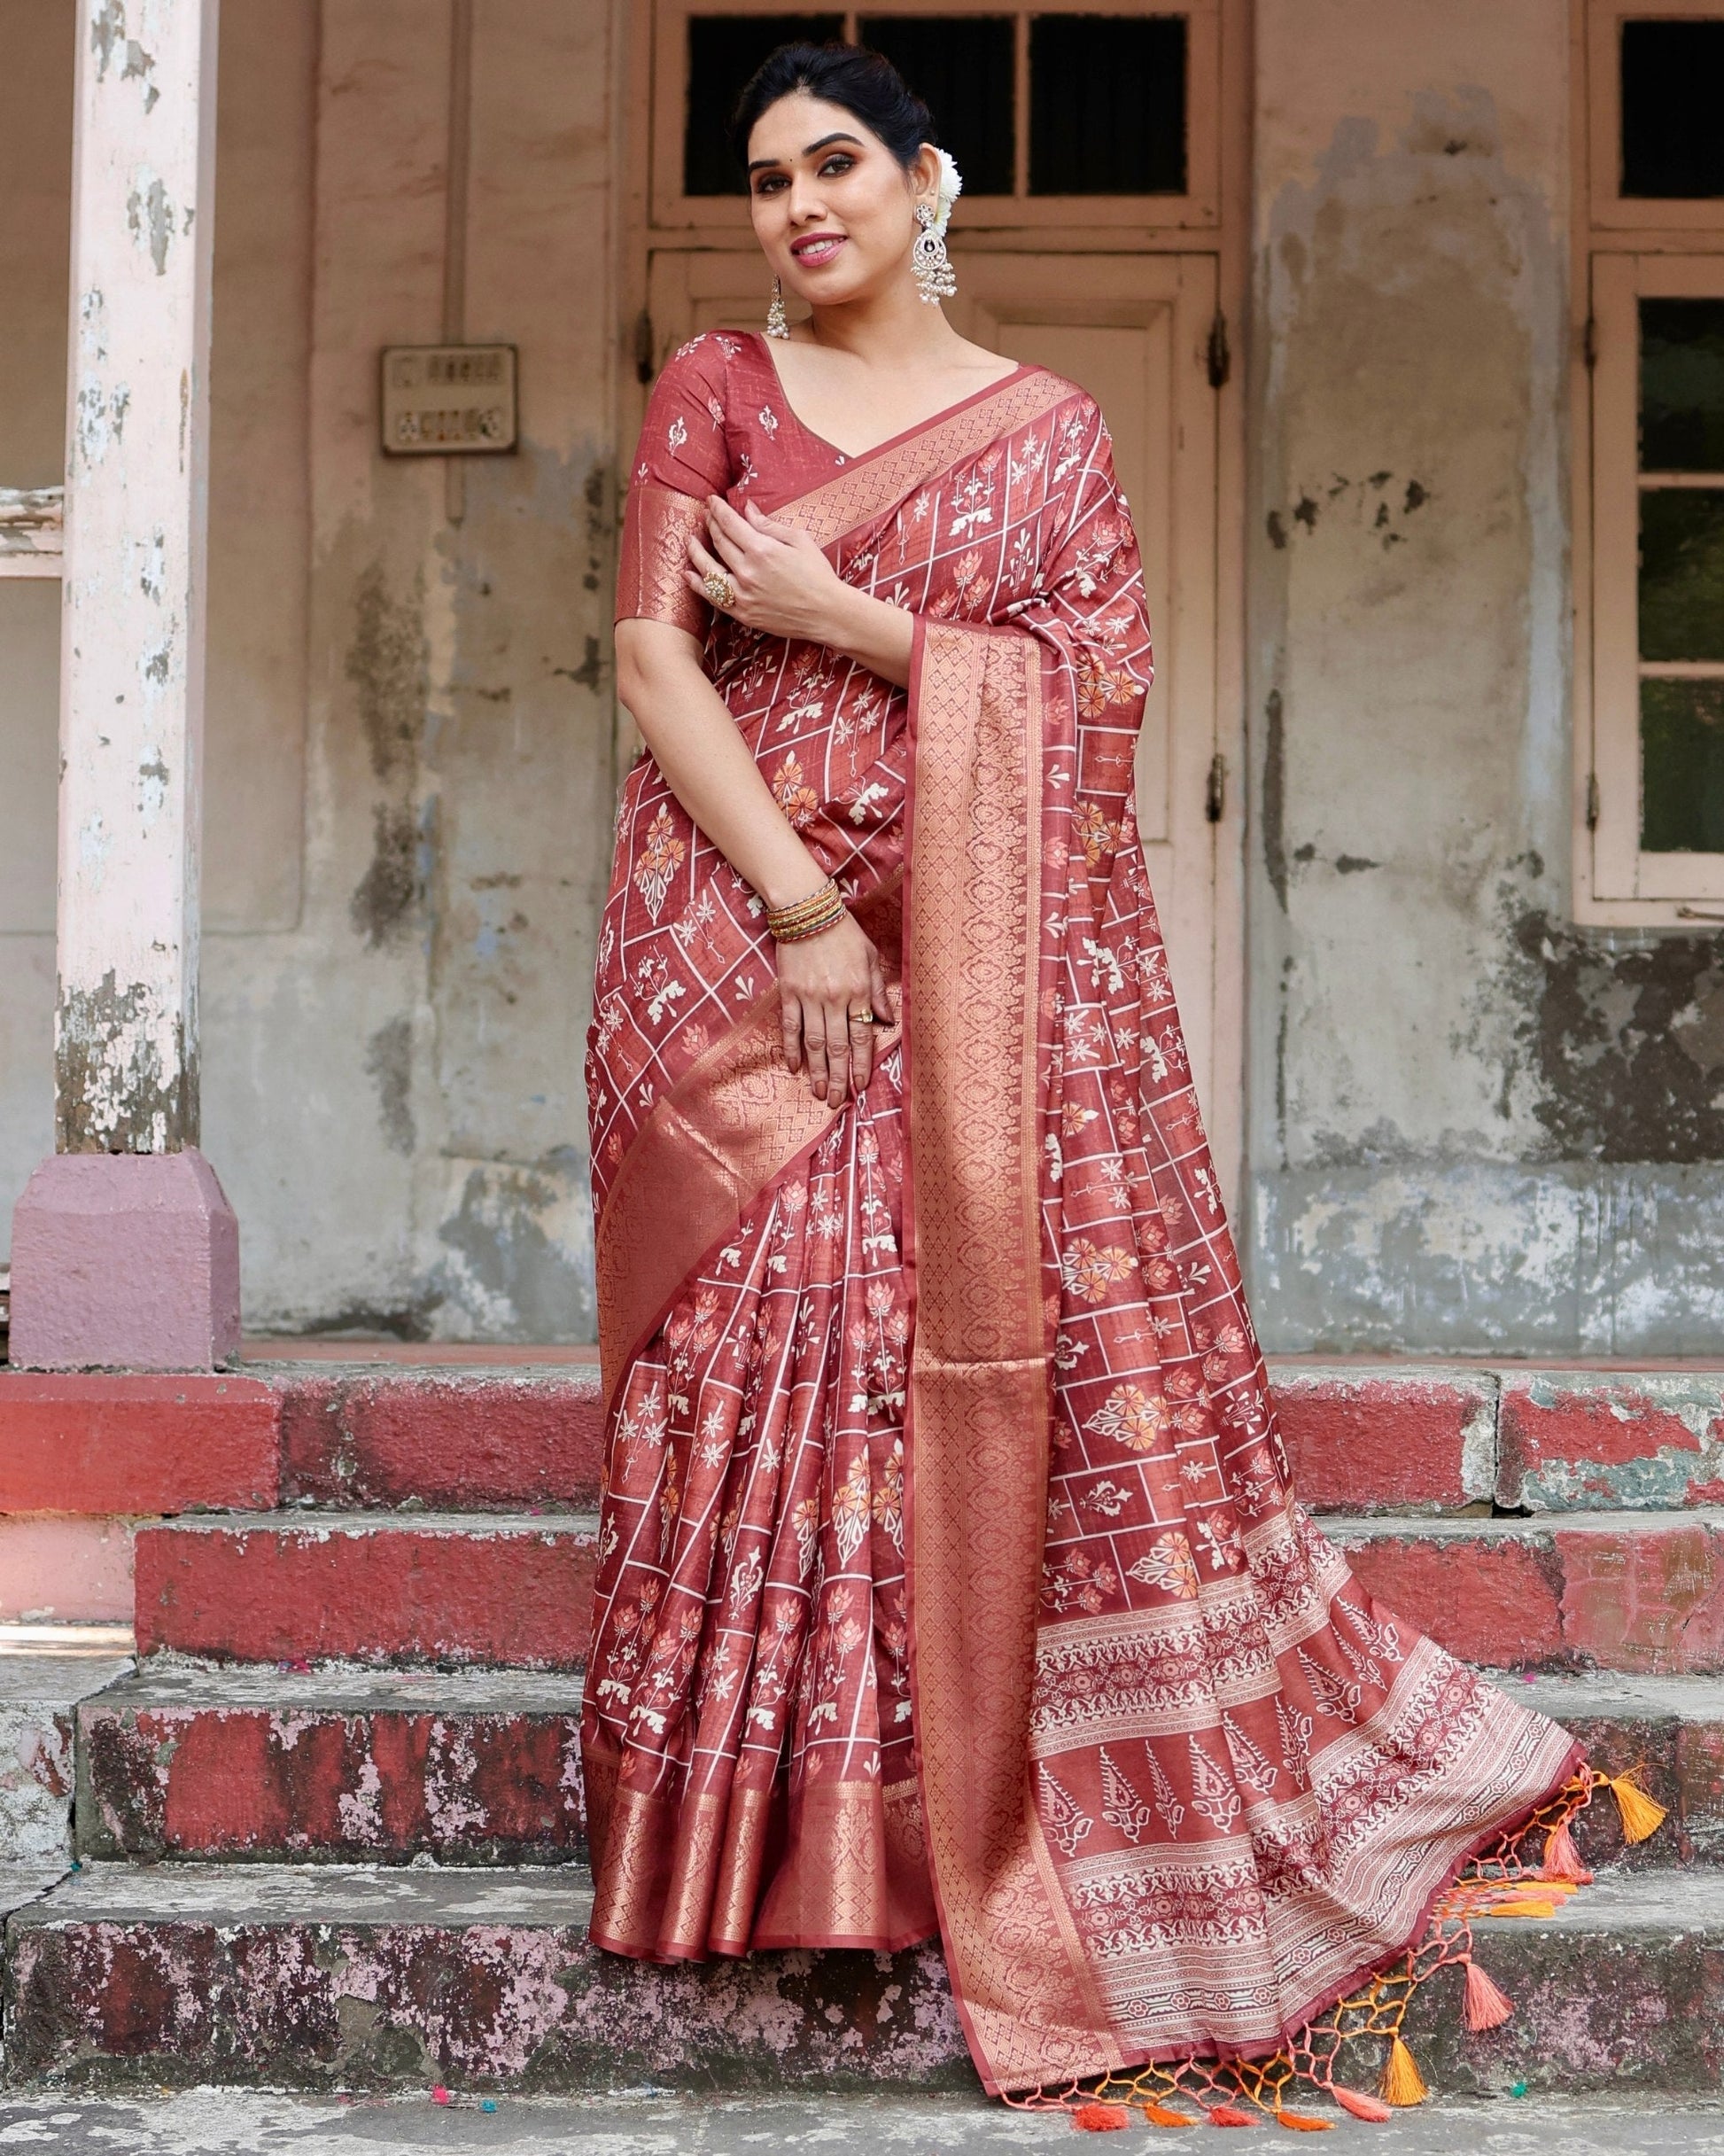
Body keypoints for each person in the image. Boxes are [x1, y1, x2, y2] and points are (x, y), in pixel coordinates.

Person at [581, 40, 1584, 2102]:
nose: (801, 206)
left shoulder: (1050, 430)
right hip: (743, 939)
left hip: (968, 971)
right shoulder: (718, 384)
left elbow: (1096, 701)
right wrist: (800, 907)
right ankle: (745, 1849)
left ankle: (915, 1835)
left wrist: (853, 619)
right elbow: (652, 651)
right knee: (757, 1351)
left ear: (925, 179)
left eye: (836, 162)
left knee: (914, 1357)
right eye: (766, 179)